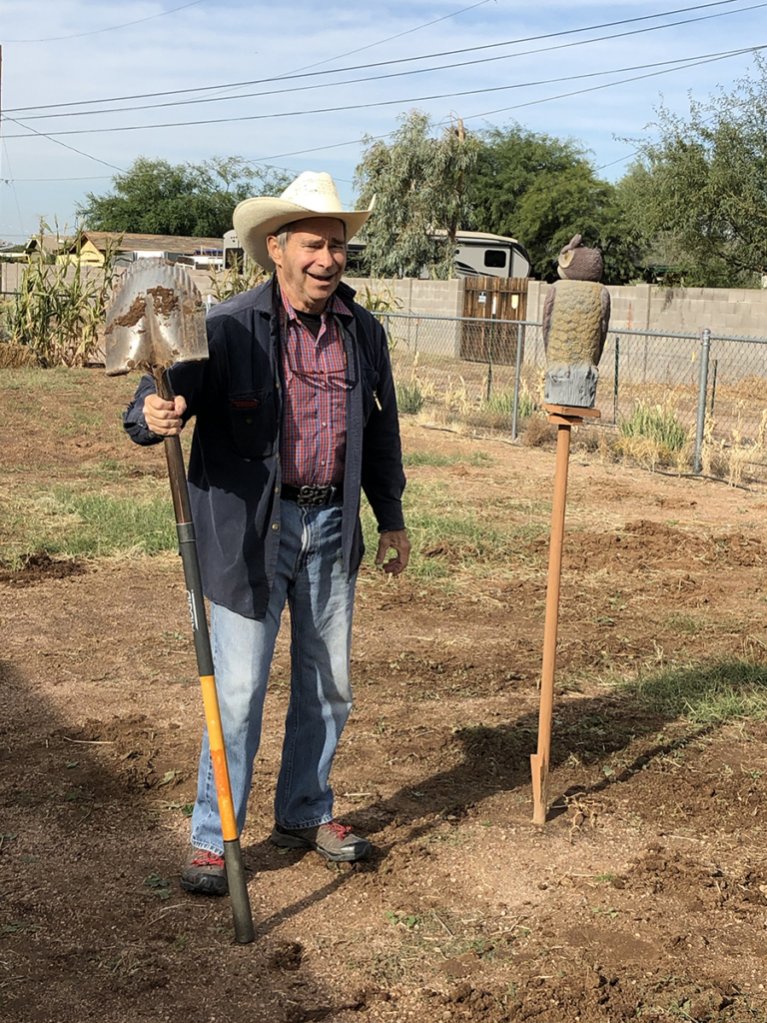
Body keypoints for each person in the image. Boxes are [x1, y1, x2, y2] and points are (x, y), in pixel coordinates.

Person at [124, 171, 410, 896]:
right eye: (313, 244)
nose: (327, 258)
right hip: (251, 532)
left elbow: (379, 434)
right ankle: (212, 838)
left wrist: (393, 515)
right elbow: (158, 393)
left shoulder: (362, 332)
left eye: (337, 245)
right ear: (276, 249)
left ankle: (305, 811)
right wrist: (150, 417)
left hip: (333, 521)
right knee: (241, 689)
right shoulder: (225, 328)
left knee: (328, 684)